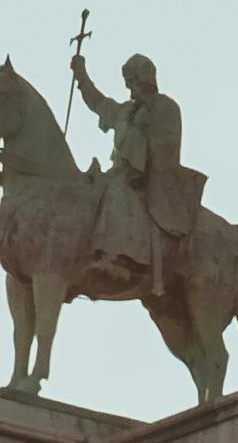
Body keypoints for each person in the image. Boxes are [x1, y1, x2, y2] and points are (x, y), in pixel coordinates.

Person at [72, 50, 199, 276]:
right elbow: (100, 103)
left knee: (116, 192)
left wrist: (132, 137)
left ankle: (119, 256)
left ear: (145, 79)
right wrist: (82, 76)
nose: (130, 88)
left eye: (133, 81)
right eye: (128, 82)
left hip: (151, 177)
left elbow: (167, 144)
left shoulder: (165, 107)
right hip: (121, 171)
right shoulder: (127, 110)